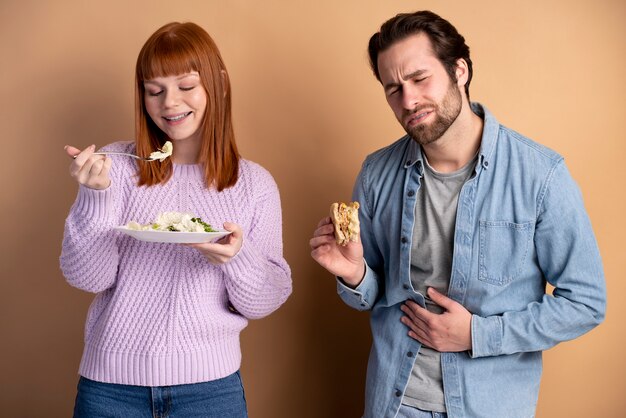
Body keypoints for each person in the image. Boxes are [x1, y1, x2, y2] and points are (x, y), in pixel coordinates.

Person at [310, 10, 606, 418]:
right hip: (394, 403)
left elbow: (587, 302)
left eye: (419, 79)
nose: (408, 100)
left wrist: (477, 335)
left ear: (459, 70)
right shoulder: (376, 173)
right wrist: (354, 274)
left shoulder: (540, 174)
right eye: (393, 89)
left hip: (489, 405)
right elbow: (374, 295)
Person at [60, 22, 292, 417]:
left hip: (210, 392)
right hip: (110, 391)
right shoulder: (115, 167)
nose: (169, 103)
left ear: (217, 84)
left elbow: (266, 300)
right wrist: (95, 197)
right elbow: (88, 278)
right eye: (155, 90)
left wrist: (237, 257)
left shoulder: (254, 184)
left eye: (186, 86)